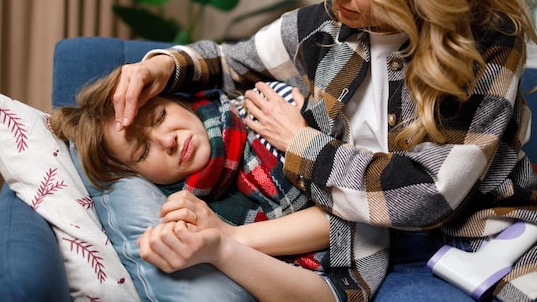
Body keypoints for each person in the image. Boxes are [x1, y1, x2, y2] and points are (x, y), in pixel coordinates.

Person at [112, 0, 537, 302]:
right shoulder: (325, 27)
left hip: (491, 238)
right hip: (355, 246)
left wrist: (302, 145)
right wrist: (163, 67)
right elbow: (233, 61)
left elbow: (430, 193)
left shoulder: (489, 42)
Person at [50, 68, 342, 299]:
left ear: (180, 100)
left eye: (160, 116)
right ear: (136, 174)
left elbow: (351, 213)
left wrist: (231, 235)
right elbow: (327, 295)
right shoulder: (183, 211)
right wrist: (217, 246)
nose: (167, 140)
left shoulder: (269, 111)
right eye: (142, 151)